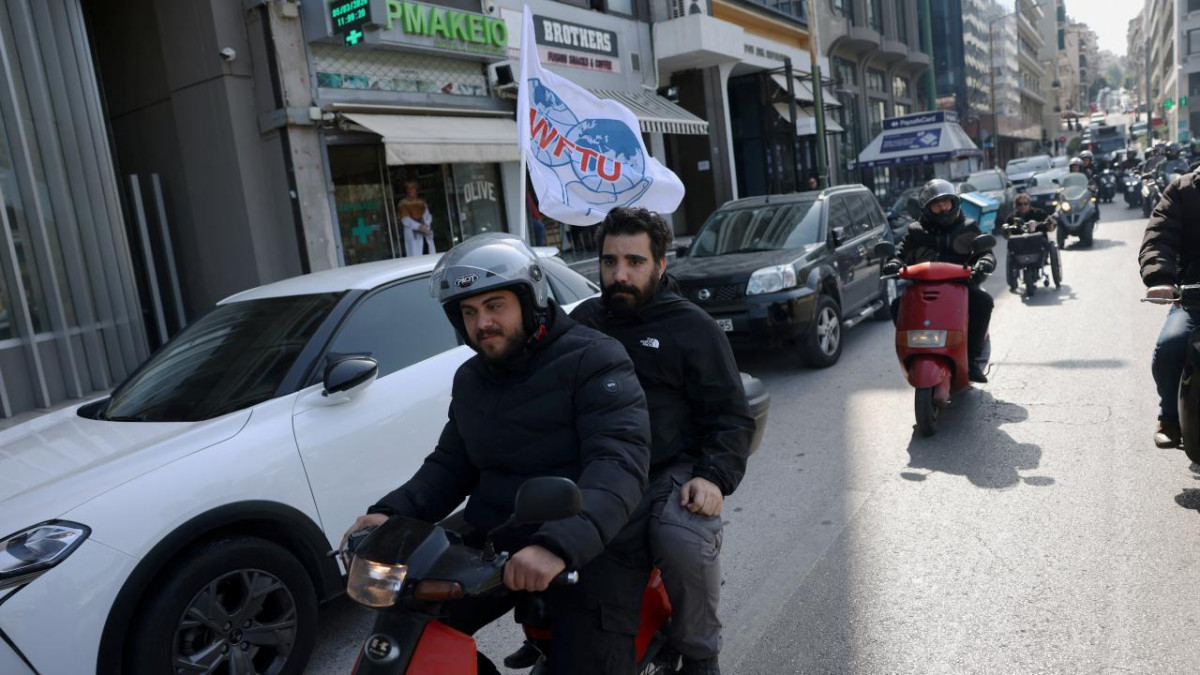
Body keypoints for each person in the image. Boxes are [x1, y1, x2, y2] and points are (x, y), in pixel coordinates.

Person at [340, 233, 652, 673]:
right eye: (469, 312)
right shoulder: (471, 378)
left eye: (494, 306)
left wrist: (559, 545)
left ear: (531, 299)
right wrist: (390, 513)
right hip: (498, 542)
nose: (481, 322)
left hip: (591, 546)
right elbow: (450, 464)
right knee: (409, 632)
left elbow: (618, 464)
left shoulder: (596, 359)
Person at [570, 208, 755, 675]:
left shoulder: (692, 326)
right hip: (595, 471)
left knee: (682, 538)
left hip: (666, 472)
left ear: (661, 265)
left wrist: (712, 477)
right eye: (610, 262)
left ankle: (698, 650)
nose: (620, 274)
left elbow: (731, 414)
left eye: (634, 261)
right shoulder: (584, 323)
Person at [883, 179, 997, 383]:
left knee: (983, 302)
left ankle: (970, 360)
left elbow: (985, 253)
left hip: (961, 286)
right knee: (896, 306)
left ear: (954, 204)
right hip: (922, 288)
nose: (943, 208)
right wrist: (893, 263)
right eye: (937, 204)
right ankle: (912, 352)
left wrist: (985, 261)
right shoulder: (915, 231)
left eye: (947, 203)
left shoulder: (968, 227)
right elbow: (900, 255)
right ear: (927, 209)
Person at [1140, 165, 1200, 448]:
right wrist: (1161, 278)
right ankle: (1170, 418)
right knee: (1170, 346)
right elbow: (1159, 236)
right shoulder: (1184, 190)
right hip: (1194, 296)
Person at [398, 180, 436, 256]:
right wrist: (419, 226)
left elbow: (428, 216)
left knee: (429, 253)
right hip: (413, 234)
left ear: (416, 189)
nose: (410, 190)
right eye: (408, 188)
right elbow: (405, 219)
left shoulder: (421, 202)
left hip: (425, 233)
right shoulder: (403, 203)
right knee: (416, 256)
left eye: (412, 188)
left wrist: (426, 226)